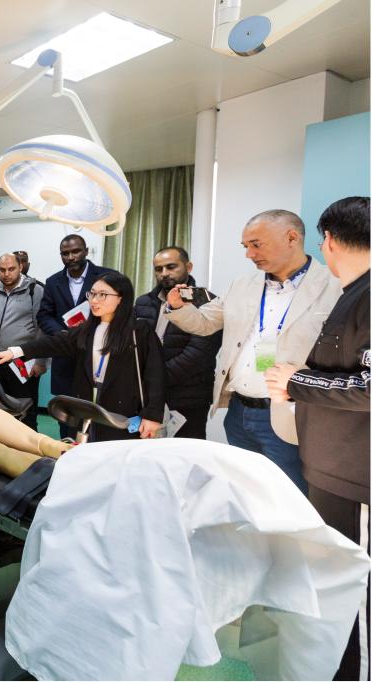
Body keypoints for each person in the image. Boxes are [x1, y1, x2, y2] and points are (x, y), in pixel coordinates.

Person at [264, 197, 369, 681]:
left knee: (357, 592)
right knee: (339, 593)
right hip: (333, 471)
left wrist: (297, 381)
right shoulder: (354, 293)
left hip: (355, 478)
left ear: (327, 241)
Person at [165, 209, 341, 493]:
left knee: (288, 496)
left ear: (292, 238)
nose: (249, 254)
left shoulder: (334, 286)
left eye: (256, 244)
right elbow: (206, 323)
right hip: (239, 411)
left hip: (291, 414)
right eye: (245, 246)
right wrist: (177, 307)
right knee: (246, 494)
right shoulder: (242, 285)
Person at [0, 272, 164, 442]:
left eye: (102, 295)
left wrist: (152, 415)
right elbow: (53, 343)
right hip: (87, 408)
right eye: (92, 293)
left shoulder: (139, 332)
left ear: (121, 298)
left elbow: (155, 375)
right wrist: (16, 351)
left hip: (122, 410)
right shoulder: (87, 330)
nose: (94, 300)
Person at [133, 246, 222, 439]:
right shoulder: (143, 302)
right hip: (147, 396)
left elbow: (198, 355)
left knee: (184, 452)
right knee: (145, 452)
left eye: (171, 267)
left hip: (188, 397)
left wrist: (155, 379)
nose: (164, 273)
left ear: (188, 267)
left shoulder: (208, 303)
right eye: (158, 269)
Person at [37, 234, 112, 437]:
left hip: (96, 357)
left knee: (97, 420)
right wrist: (62, 334)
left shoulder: (106, 277)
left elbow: (118, 312)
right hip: (65, 359)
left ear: (86, 251)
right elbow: (44, 316)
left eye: (76, 251)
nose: (70, 257)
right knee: (67, 421)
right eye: (65, 253)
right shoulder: (53, 281)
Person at [0, 253, 47, 430]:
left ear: (21, 267)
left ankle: (29, 445)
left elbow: (42, 328)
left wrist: (41, 361)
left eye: (11, 269)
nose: (6, 274)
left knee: (26, 412)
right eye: (2, 270)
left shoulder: (35, 290)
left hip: (22, 363)